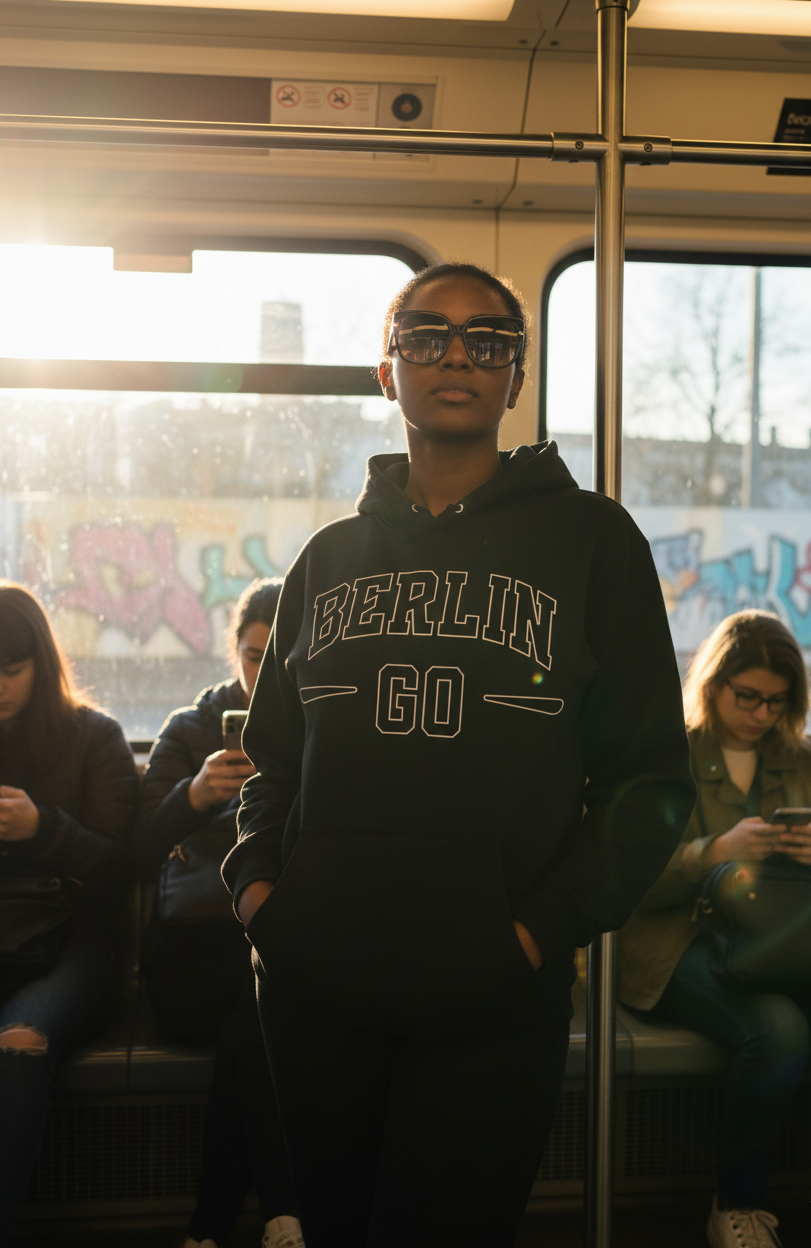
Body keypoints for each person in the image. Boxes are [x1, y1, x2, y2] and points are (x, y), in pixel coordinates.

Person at [222, 261, 696, 1248]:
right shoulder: (327, 559)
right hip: (316, 990)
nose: (456, 356)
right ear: (384, 369)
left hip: (490, 992)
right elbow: (271, 765)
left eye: (488, 341)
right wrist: (260, 898)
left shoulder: (593, 544)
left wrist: (534, 935)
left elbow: (646, 782)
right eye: (426, 334)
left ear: (516, 378)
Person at [619, 609, 811, 1248]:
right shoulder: (665, 755)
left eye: (778, 701)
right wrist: (710, 854)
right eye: (748, 697)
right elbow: (628, 883)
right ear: (713, 685)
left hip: (789, 942)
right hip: (677, 939)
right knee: (777, 1030)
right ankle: (737, 1205)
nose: (762, 715)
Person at [136, 577, 303, 1248]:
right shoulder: (190, 729)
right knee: (257, 1001)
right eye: (254, 654)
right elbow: (137, 848)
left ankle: (206, 1231)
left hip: (266, 956)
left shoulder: (316, 729)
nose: (264, 670)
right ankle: (284, 1211)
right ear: (234, 652)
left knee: (253, 1006)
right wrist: (195, 795)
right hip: (189, 960)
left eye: (280, 655)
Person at [0, 581, 138, 1247]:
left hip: (71, 939)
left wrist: (39, 829)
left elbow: (119, 871)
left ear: (42, 665)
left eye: (12, 670)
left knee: (20, 1045)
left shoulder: (95, 737)